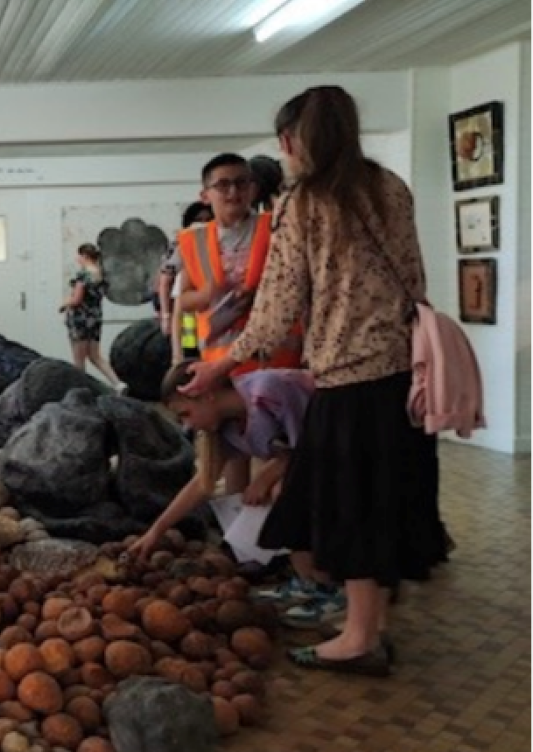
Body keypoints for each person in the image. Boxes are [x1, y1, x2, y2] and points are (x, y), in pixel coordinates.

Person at [183, 85, 445, 676]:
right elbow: (413, 275)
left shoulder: (304, 205)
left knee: (348, 507)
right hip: (402, 375)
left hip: (347, 379)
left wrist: (221, 362)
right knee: (385, 501)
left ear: (290, 141)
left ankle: (357, 638)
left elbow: (276, 311)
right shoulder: (390, 188)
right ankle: (368, 625)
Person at [127, 363, 345, 625]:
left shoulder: (269, 390)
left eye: (186, 413)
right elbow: (202, 483)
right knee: (280, 495)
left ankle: (329, 588)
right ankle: (306, 581)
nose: (188, 425)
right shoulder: (227, 428)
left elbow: (312, 442)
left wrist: (268, 475)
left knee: (283, 494)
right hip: (310, 463)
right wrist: (156, 531)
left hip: (344, 452)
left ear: (206, 394)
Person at [172, 153, 303, 377]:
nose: (233, 192)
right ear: (205, 195)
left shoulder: (277, 228)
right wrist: (207, 294)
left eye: (241, 183)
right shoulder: (194, 240)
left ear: (252, 189)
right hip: (220, 364)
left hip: (277, 358)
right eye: (223, 185)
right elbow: (182, 303)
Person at [60, 244, 121, 389]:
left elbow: (77, 299)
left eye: (79, 256)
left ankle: (82, 389)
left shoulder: (83, 275)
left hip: (80, 320)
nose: (77, 259)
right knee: (95, 356)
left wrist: (64, 304)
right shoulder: (100, 275)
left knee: (79, 359)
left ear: (85, 257)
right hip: (95, 318)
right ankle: (118, 383)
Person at [157, 202, 213, 345]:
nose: (203, 224)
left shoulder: (218, 241)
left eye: (208, 220)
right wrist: (166, 316)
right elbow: (165, 280)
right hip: (186, 303)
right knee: (189, 346)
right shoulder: (182, 242)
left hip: (212, 304)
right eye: (199, 220)